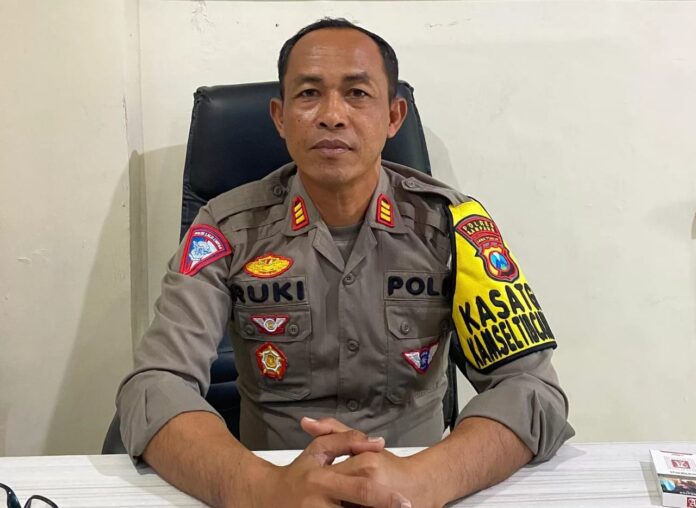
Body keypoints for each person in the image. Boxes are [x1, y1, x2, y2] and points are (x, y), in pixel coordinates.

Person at [116, 17, 574, 508]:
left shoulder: (452, 227)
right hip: (273, 488)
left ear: (394, 116)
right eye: (309, 94)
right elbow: (155, 385)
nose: (332, 115)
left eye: (357, 94)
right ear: (280, 117)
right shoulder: (226, 228)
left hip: (419, 490)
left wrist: (426, 479)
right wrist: (261, 488)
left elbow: (532, 388)